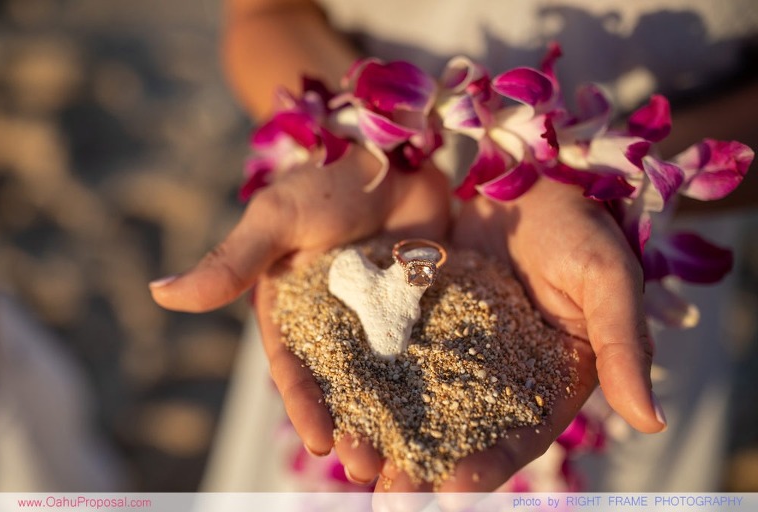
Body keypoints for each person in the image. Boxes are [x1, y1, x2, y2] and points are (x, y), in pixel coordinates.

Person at [150, 0, 758, 493]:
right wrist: (354, 143)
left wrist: (619, 185)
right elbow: (266, 15)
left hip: (623, 255)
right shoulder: (356, 270)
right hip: (364, 189)